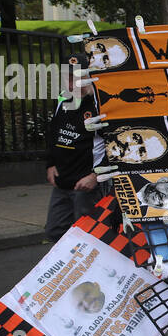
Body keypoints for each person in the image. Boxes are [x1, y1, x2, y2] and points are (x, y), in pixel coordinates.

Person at [44, 60, 104, 240]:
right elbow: (54, 133)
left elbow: (115, 145)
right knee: (55, 231)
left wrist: (95, 176)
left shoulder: (100, 105)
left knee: (88, 236)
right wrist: (50, 164)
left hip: (87, 184)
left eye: (78, 78)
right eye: (68, 79)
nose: (72, 84)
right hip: (62, 181)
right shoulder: (64, 99)